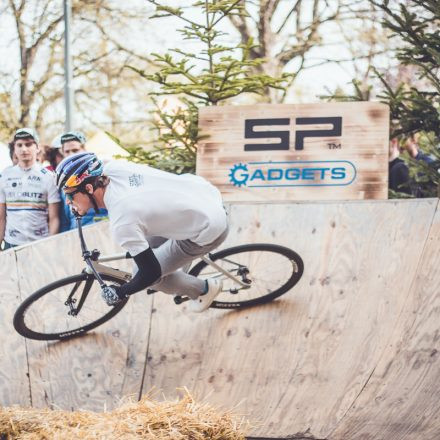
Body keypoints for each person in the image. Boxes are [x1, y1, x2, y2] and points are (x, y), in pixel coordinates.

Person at [55, 152, 228, 312]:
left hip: (209, 227)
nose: (68, 202)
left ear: (89, 189)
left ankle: (204, 289)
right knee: (142, 256)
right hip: (203, 193)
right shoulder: (112, 169)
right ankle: (179, 271)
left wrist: (121, 292)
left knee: (153, 281)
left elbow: (150, 273)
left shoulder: (122, 220)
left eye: (70, 195)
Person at [0, 128, 60, 249]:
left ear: (37, 148)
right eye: (19, 145)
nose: (24, 149)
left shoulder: (49, 177)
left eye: (28, 144)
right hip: (11, 243)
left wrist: (50, 245)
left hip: (40, 244)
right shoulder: (4, 176)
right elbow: (1, 217)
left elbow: (54, 218)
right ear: (14, 149)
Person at [58, 131, 108, 231]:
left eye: (75, 150)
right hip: (77, 236)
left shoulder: (98, 174)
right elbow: (64, 220)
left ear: (84, 149)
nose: (70, 154)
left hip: (104, 233)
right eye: (67, 151)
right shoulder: (63, 183)